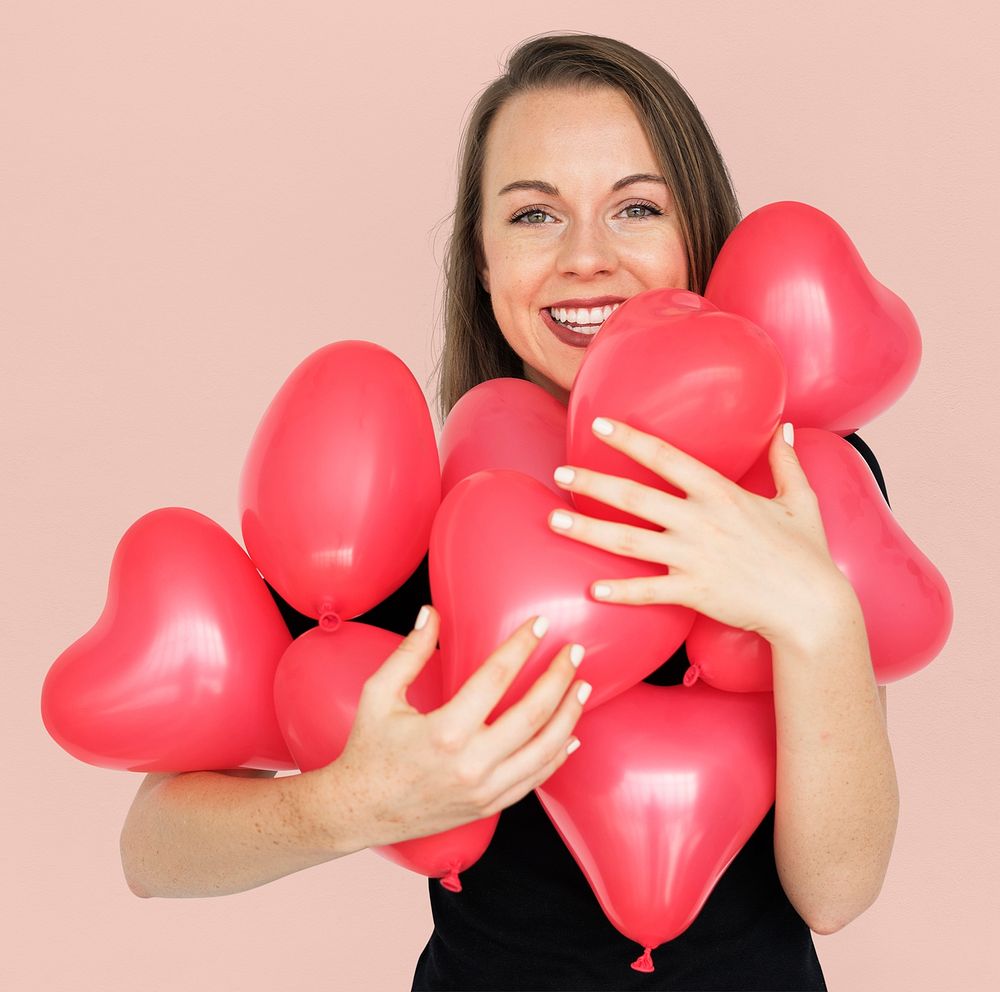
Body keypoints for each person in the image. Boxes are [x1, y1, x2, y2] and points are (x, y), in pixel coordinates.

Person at [120, 33, 899, 991]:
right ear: (484, 267)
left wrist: (816, 615)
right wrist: (347, 807)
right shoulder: (401, 510)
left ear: (700, 237)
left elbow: (837, 891)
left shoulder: (801, 479)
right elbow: (150, 855)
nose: (586, 258)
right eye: (535, 214)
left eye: (638, 208)